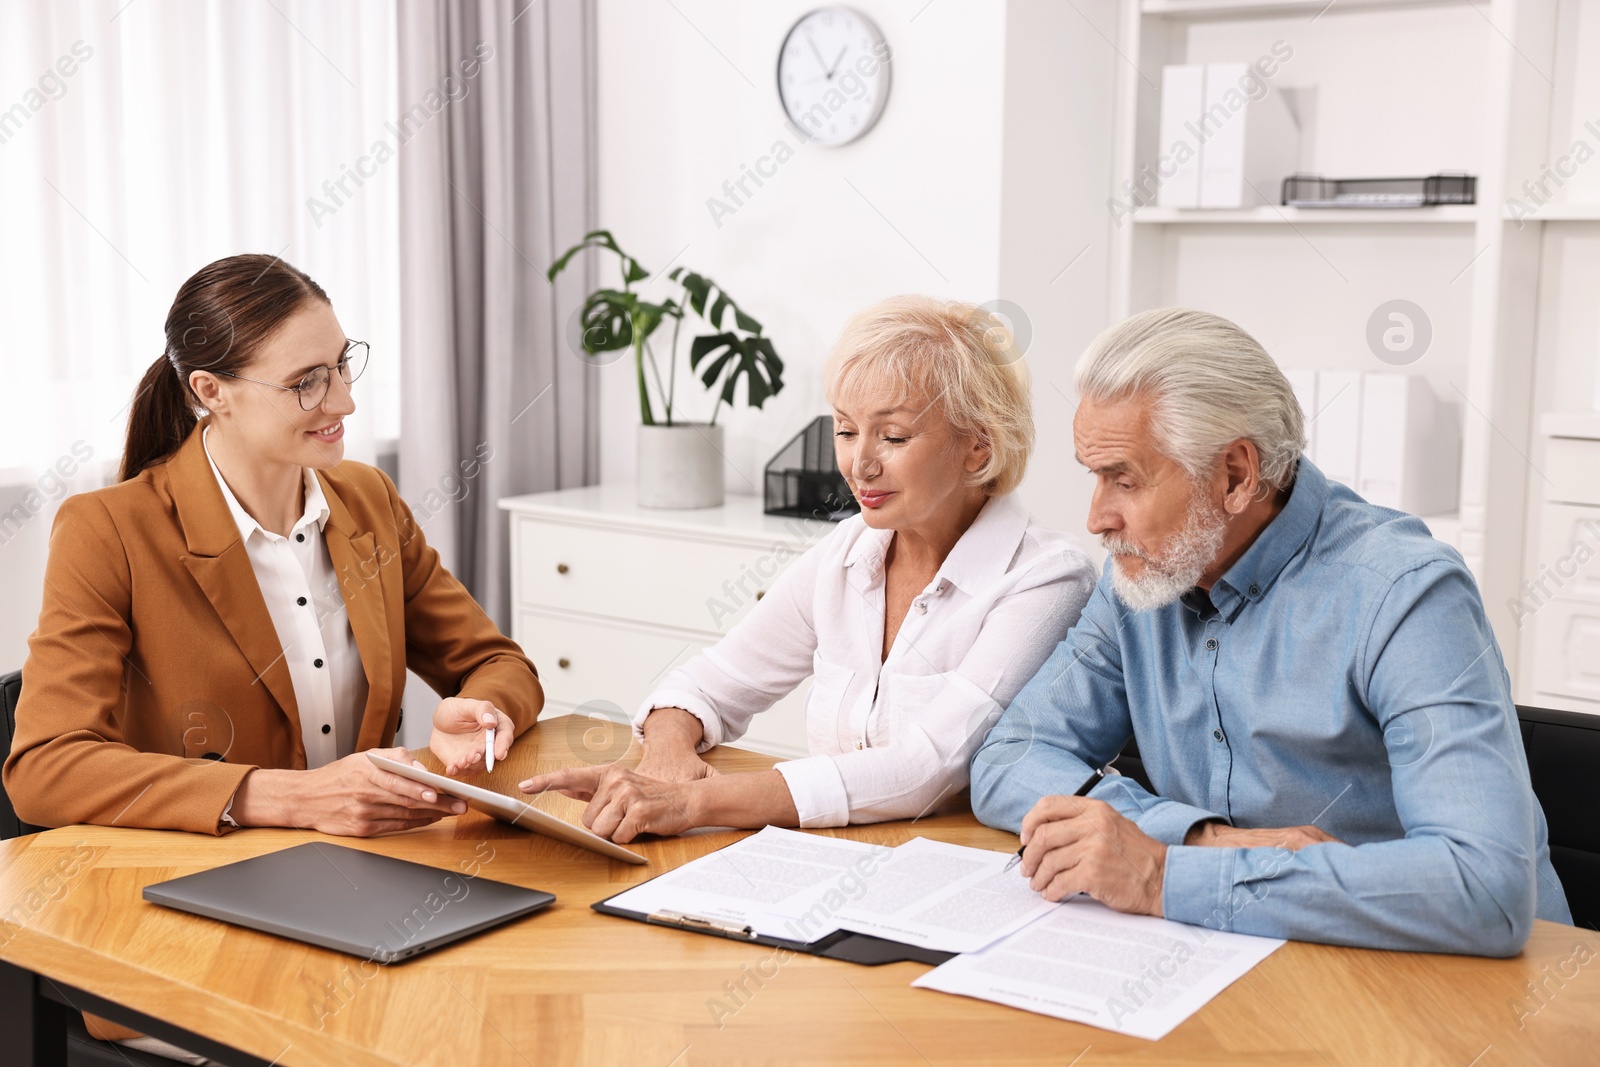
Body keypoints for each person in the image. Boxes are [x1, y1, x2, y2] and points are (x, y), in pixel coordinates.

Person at [972, 307, 1571, 957]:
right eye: (1094, 475)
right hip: (1252, 962)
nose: (1096, 517)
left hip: (1465, 990)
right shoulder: (1140, 580)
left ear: (1235, 474)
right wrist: (1199, 838)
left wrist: (1159, 872)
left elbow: (1482, 888)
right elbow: (1009, 759)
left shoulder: (1405, 592)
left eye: (1124, 478)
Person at [520, 295, 1096, 840]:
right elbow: (706, 685)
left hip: (959, 865)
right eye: (845, 430)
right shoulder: (845, 555)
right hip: (826, 853)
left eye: (892, 435)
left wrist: (697, 802)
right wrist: (666, 763)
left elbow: (929, 767)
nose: (859, 463)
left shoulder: (1046, 579)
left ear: (978, 447)